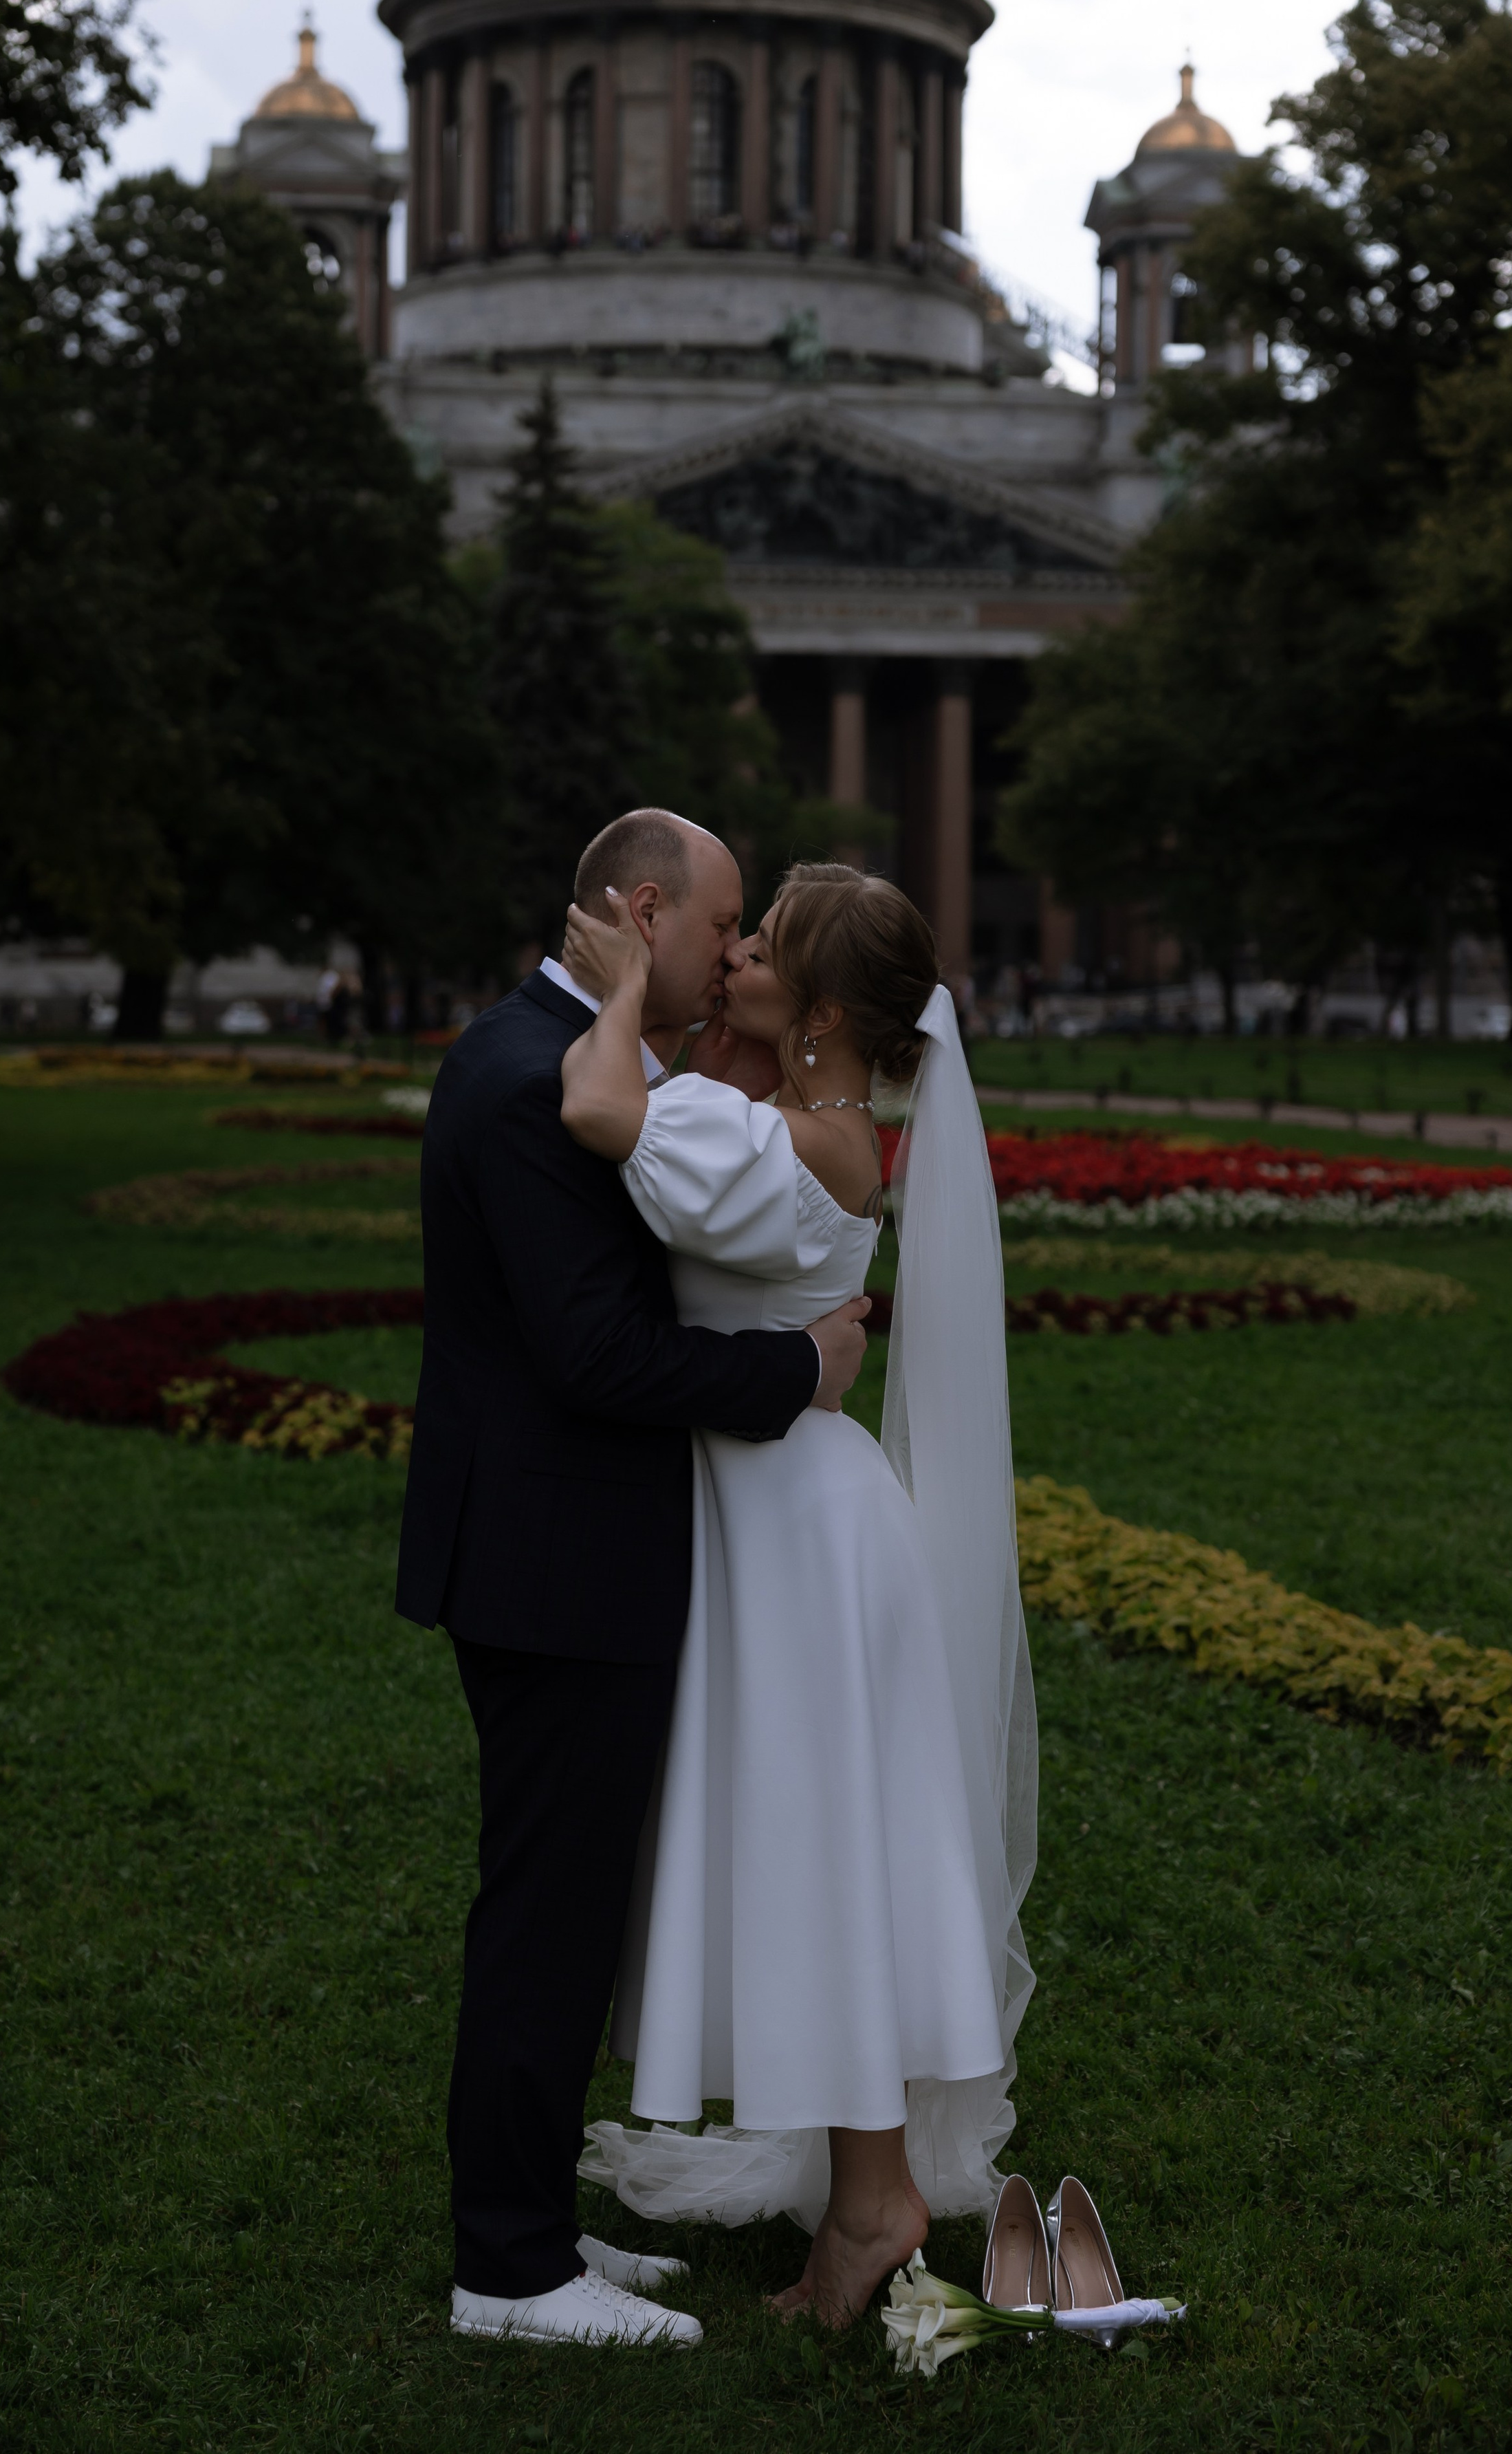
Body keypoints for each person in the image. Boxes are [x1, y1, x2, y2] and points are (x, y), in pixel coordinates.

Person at [396, 810, 873, 2350]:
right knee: (546, 1914)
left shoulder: (554, 1049)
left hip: (553, 1545)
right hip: (553, 1558)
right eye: (721, 926)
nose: (730, 957)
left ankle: (531, 2215)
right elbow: (594, 1355)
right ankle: (510, 2273)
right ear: (644, 910)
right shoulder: (535, 1077)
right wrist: (798, 1369)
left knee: (568, 1904)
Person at [562, 863, 1037, 2328]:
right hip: (799, 1508)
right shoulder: (812, 1129)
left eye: (761, 946)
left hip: (790, 1532)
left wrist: (619, 983)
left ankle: (873, 2208)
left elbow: (597, 1108)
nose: (736, 955)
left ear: (821, 1008)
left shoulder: (776, 1144)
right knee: (829, 1855)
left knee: (823, 1857)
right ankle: (863, 2193)